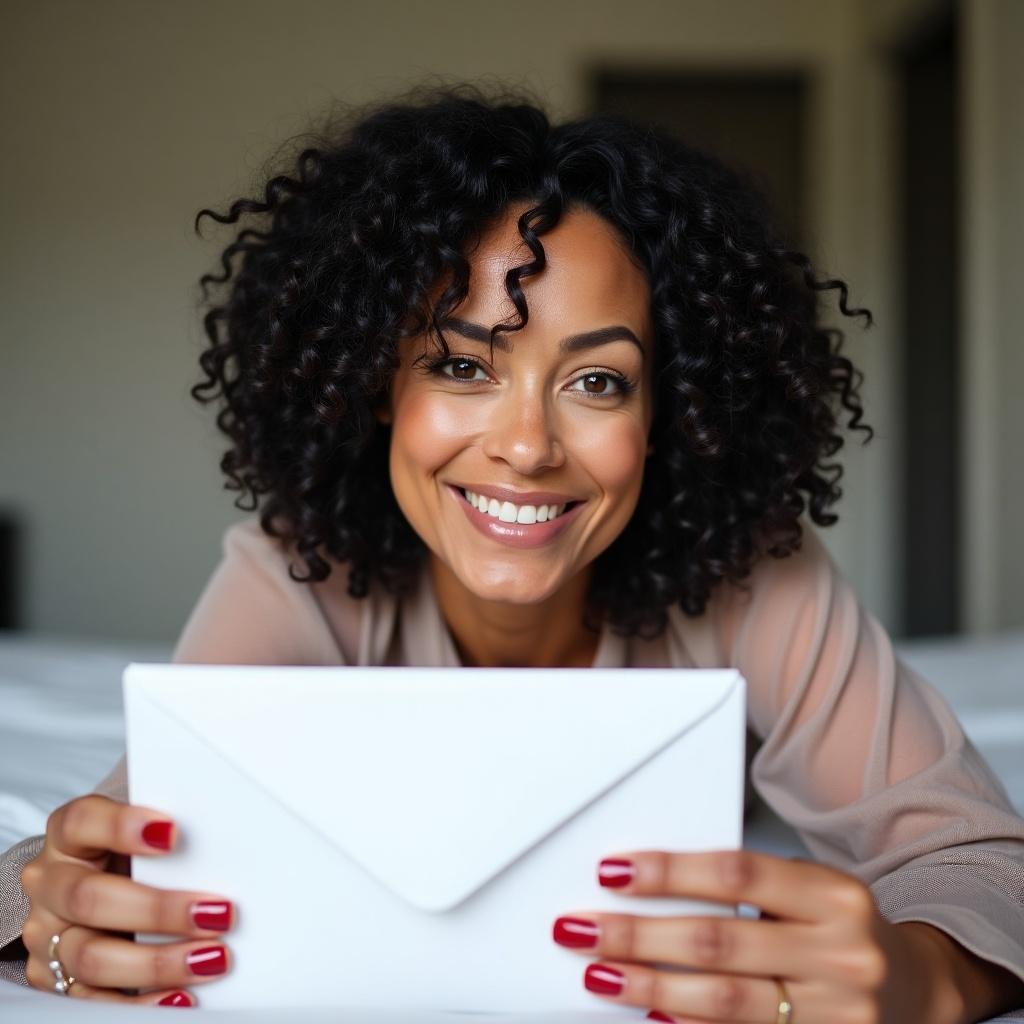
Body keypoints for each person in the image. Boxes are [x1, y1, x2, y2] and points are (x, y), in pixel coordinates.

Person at [1, 81, 1023, 1021]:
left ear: (670, 414)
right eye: (459, 364)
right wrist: (58, 910)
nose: (527, 447)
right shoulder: (300, 568)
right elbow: (97, 849)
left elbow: (977, 862)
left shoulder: (758, 574)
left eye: (598, 382)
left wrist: (921, 978)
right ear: (376, 389)